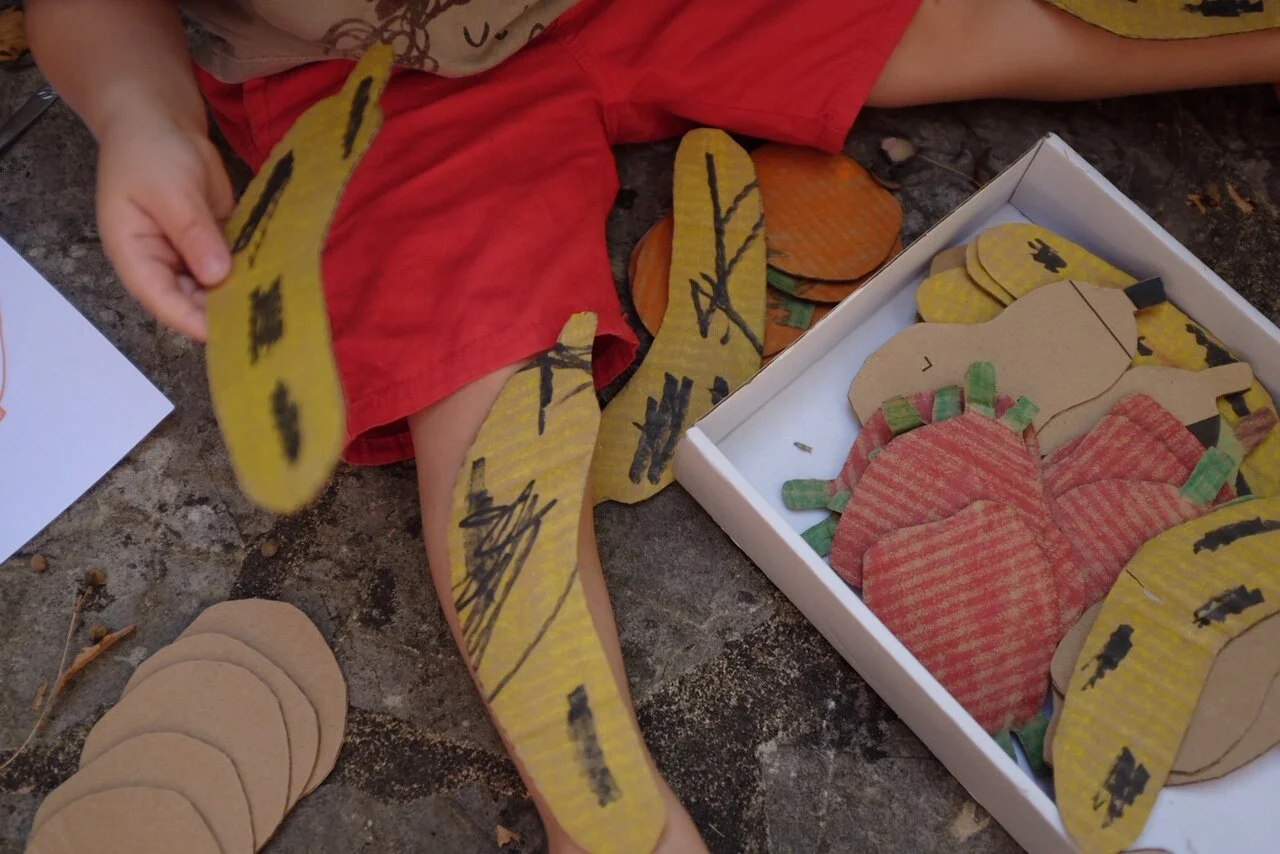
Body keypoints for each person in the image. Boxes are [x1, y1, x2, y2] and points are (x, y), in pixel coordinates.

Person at [24, 1, 1280, 850]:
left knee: (998, 25)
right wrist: (142, 111)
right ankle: (604, 810)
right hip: (372, 99)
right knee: (492, 387)